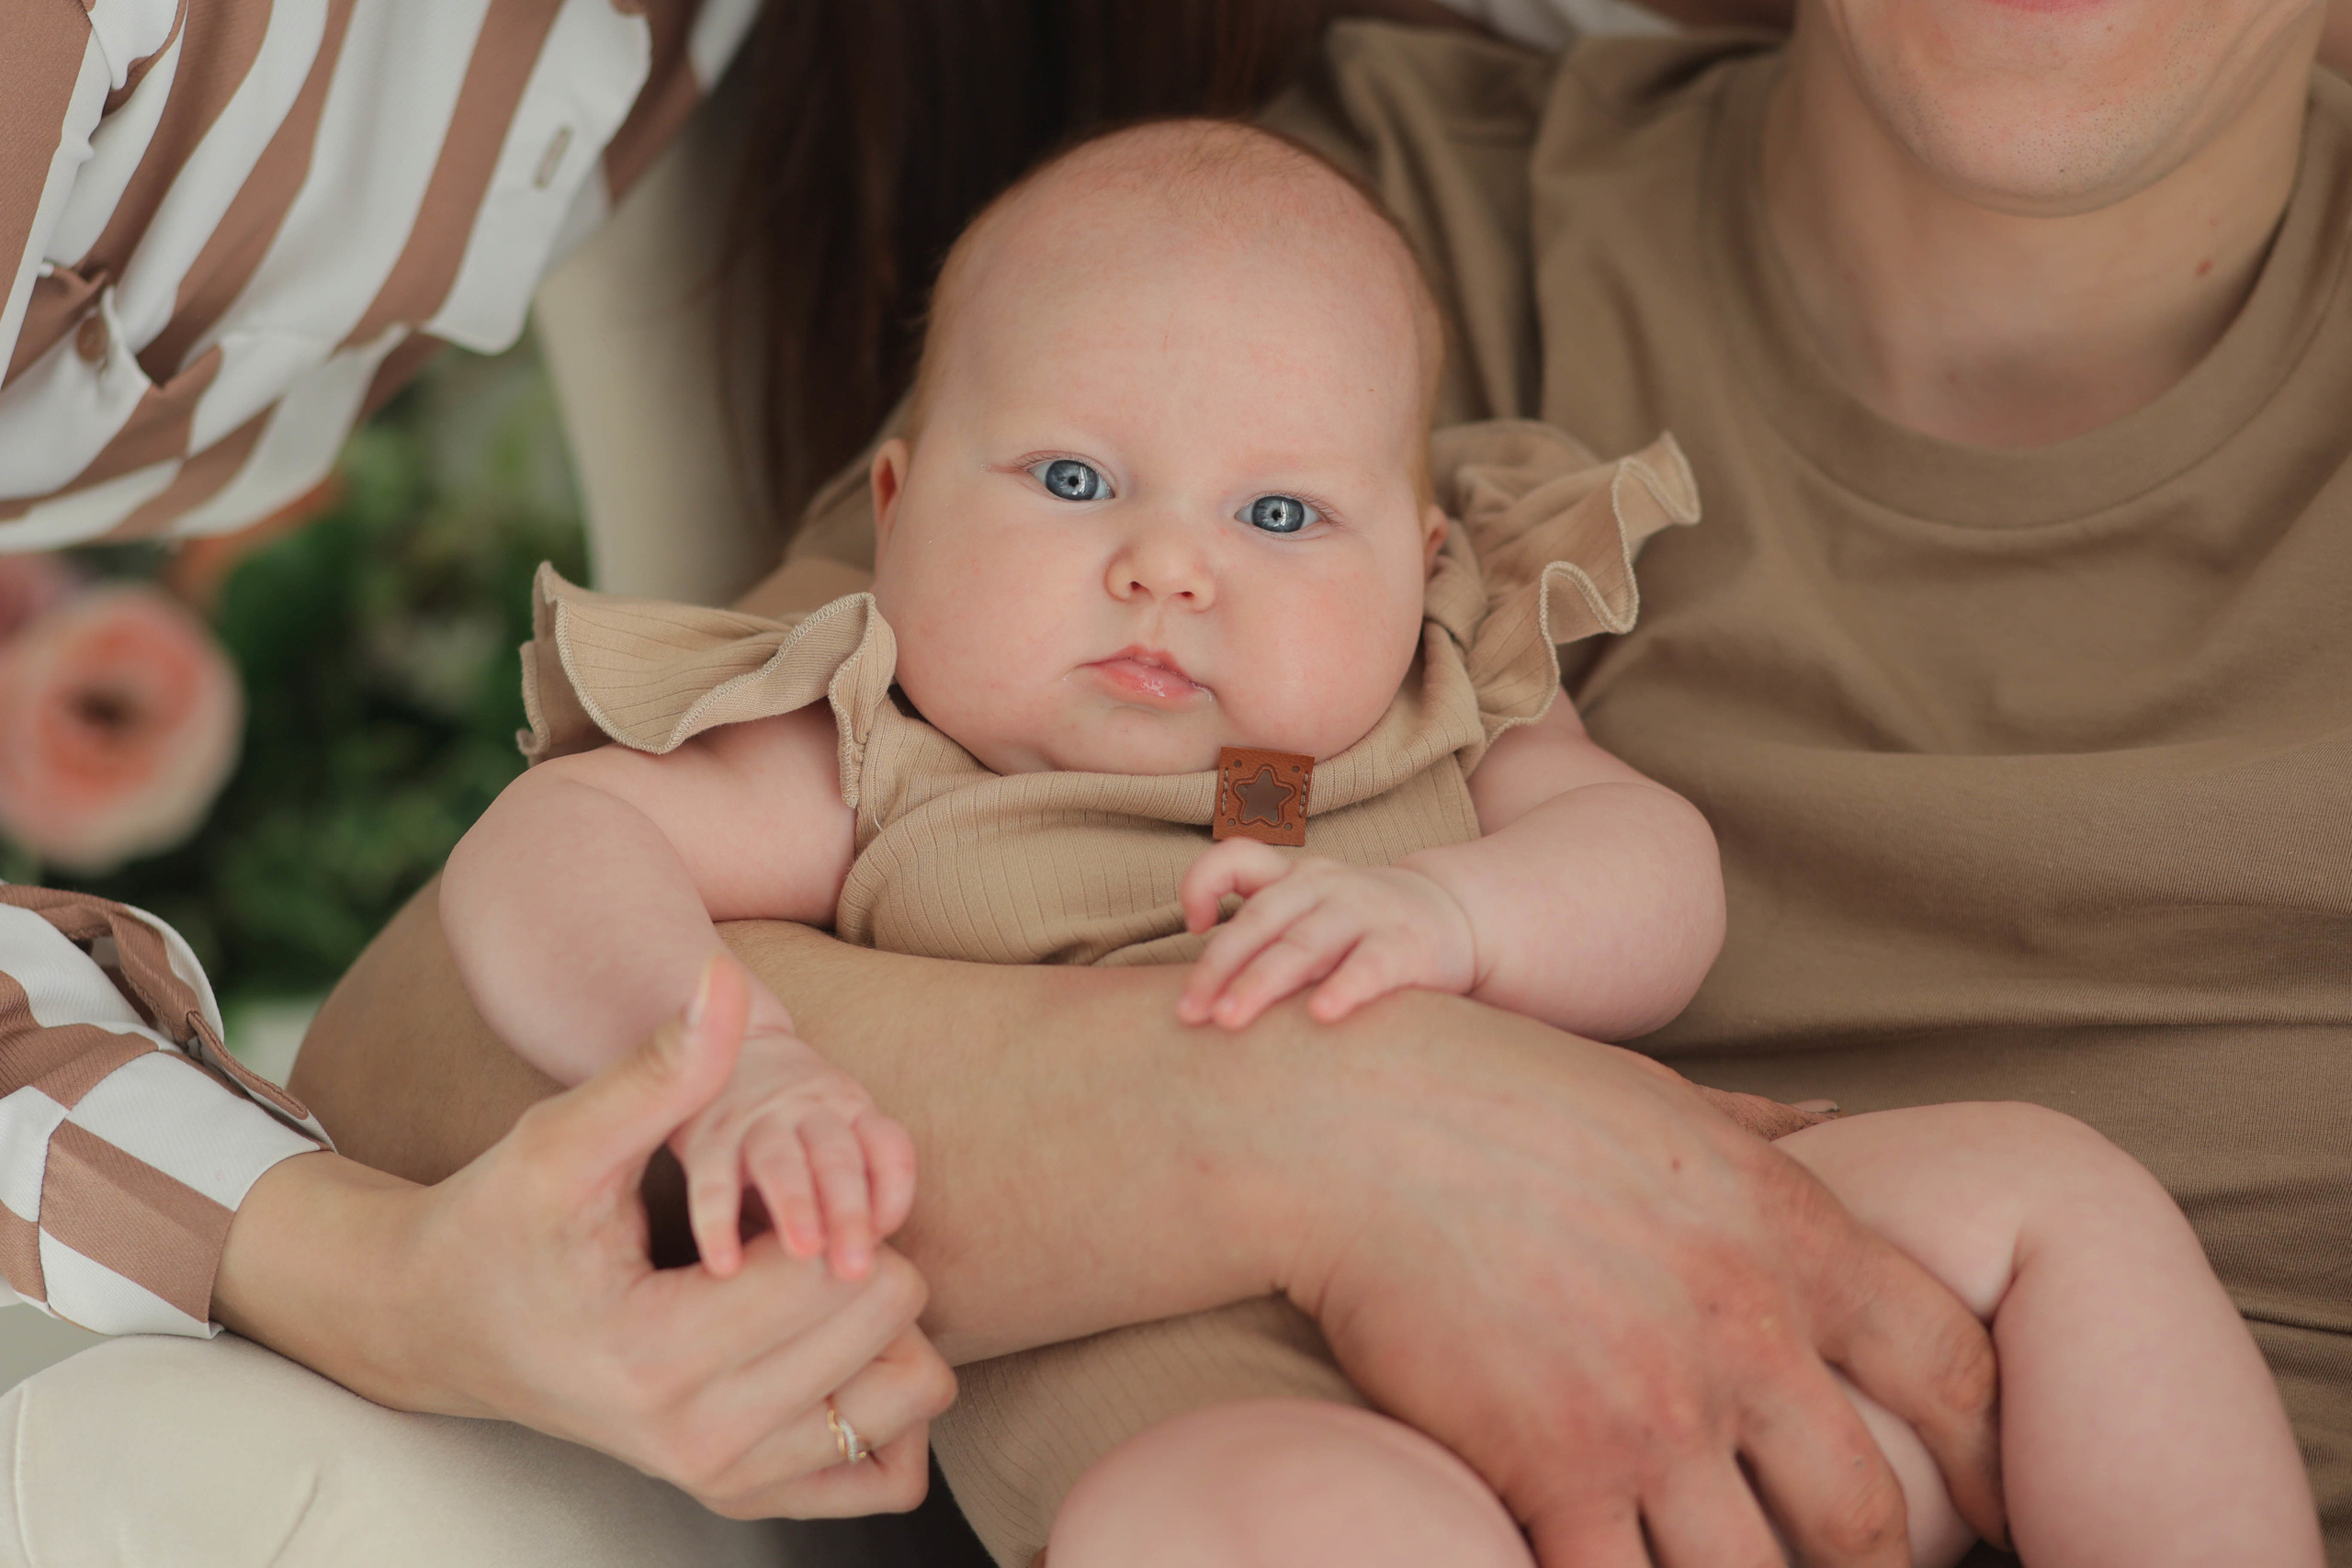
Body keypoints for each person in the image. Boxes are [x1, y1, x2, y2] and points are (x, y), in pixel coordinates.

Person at [1, 0, 2345, 1564]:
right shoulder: (981, 617)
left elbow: (1646, 879)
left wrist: (1449, 933)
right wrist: (764, 1064)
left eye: (1282, 523)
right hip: (1283, 1425)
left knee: (2053, 1193)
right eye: (1073, 482)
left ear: (1422, 546)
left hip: (1835, 1312)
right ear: (900, 498)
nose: (1169, 568)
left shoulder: (1432, 671)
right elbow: (506, 931)